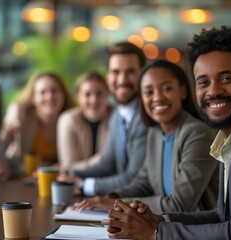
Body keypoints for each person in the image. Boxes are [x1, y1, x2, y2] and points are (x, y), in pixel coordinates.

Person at [103, 26, 231, 240]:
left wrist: (156, 233)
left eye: (226, 78)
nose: (214, 90)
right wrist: (158, 220)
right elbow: (221, 216)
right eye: (203, 82)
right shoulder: (230, 134)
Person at [74, 60, 218, 214]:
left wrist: (116, 203)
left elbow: (179, 205)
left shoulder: (197, 133)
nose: (157, 98)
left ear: (183, 91)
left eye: (167, 88)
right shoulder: (155, 133)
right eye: (148, 92)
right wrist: (111, 197)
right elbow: (143, 182)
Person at [61, 42, 148, 196]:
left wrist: (82, 185)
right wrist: (70, 173)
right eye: (116, 72)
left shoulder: (146, 117)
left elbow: (133, 178)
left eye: (130, 72)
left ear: (142, 74)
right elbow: (108, 164)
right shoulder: (117, 116)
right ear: (108, 76)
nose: (122, 80)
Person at [0, 72, 74, 168]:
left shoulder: (72, 119)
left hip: (59, 178)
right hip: (25, 178)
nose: (49, 97)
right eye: (42, 92)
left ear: (64, 94)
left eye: (54, 91)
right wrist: (7, 128)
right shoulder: (21, 115)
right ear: (33, 98)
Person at [57, 71, 113, 171]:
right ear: (78, 97)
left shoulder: (116, 116)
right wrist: (102, 159)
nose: (94, 100)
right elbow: (68, 166)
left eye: (99, 93)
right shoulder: (67, 120)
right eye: (87, 94)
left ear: (107, 94)